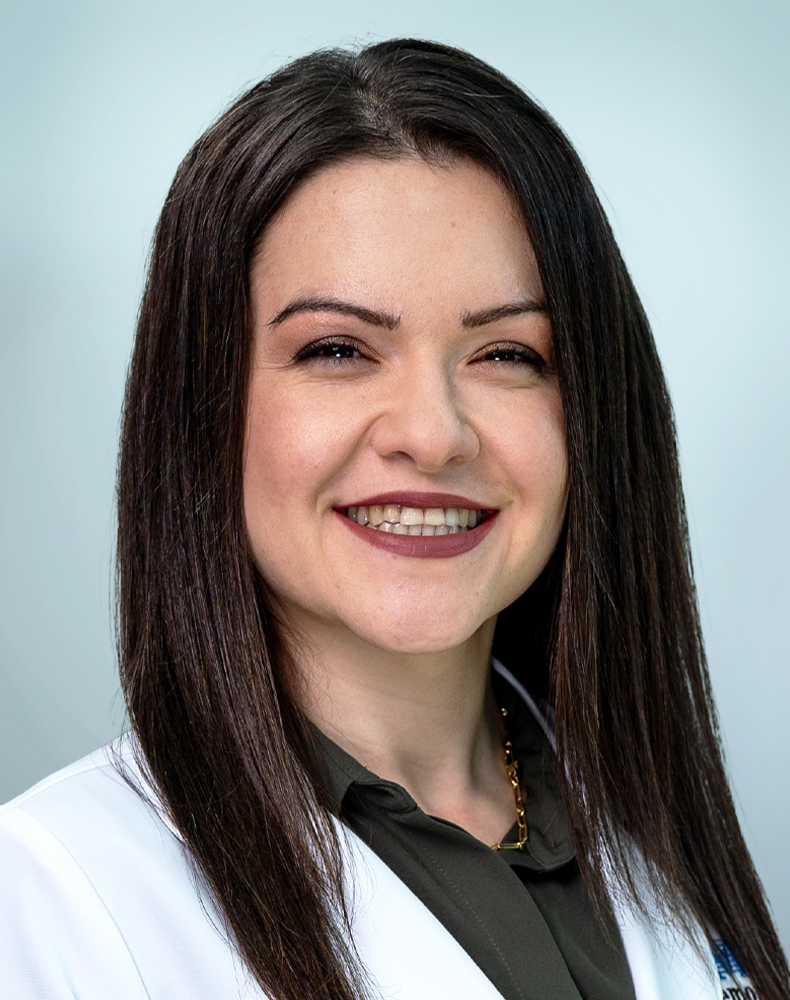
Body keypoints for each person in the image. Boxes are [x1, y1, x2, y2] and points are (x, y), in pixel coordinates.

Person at [0, 38, 786, 1000]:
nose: (434, 433)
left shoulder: (661, 846)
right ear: (200, 405)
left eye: (507, 355)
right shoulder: (49, 902)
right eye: (338, 349)